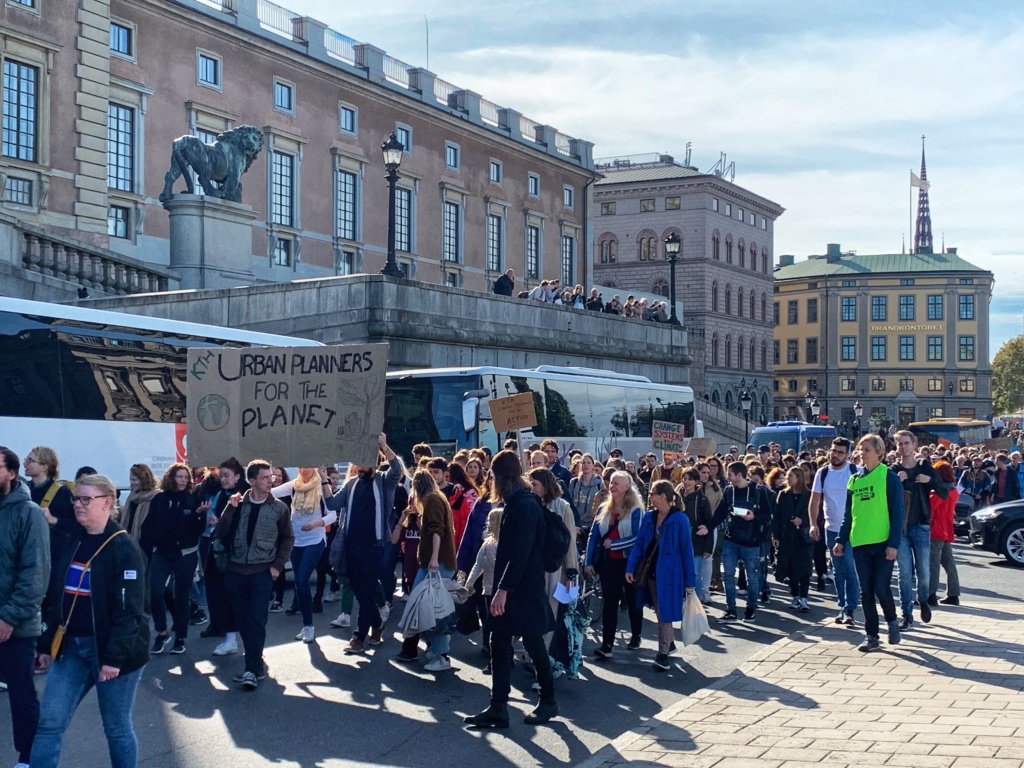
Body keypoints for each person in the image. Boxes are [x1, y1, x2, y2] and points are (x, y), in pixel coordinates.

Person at [33, 474, 150, 768]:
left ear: (108, 503)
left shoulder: (124, 549)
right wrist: (47, 645)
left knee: (116, 728)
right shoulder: (73, 539)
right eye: (76, 498)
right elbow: (59, 598)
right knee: (49, 723)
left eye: (86, 499)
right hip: (70, 648)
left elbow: (130, 612)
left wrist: (113, 659)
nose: (78, 505)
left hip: (110, 653)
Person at [464, 450, 557, 728]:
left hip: (524, 587)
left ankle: (549, 701)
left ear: (501, 477)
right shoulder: (515, 502)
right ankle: (498, 707)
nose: (490, 480)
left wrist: (503, 589)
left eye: (492, 475)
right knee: (499, 641)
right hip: (513, 584)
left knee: (533, 643)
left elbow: (520, 552)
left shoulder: (525, 505)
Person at [213, 460, 294, 690]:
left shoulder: (279, 508)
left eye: (272, 477)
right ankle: (255, 662)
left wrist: (277, 565)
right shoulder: (238, 504)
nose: (272, 480)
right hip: (236, 572)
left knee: (256, 620)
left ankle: (250, 670)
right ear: (252, 481)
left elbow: (288, 537)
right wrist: (230, 509)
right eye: (265, 477)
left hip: (262, 572)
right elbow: (220, 532)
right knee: (242, 621)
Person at [0, 446, 50, 768]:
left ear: (12, 473)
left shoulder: (28, 512)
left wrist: (8, 618)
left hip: (14, 625)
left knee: (21, 695)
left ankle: (28, 757)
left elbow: (36, 574)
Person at [833, 434, 905, 652]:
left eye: (867, 449)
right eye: (861, 449)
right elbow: (848, 514)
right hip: (860, 542)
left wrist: (893, 544)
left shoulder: (888, 477)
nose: (862, 453)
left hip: (882, 542)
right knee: (866, 590)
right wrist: (841, 540)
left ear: (879, 452)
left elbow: (898, 513)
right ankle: (871, 635)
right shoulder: (854, 480)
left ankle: (892, 621)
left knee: (881, 587)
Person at [333, 435, 404, 655]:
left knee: (368, 590)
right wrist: (323, 480)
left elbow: (398, 470)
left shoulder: (384, 481)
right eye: (355, 463)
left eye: (361, 463)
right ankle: (377, 623)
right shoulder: (351, 484)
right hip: (351, 547)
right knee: (360, 592)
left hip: (374, 547)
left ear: (373, 462)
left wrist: (384, 445)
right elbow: (331, 503)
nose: (357, 468)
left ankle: (358, 637)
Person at [626, 480, 697, 671]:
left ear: (663, 496)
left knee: (664, 612)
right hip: (650, 572)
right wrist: (630, 568)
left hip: (670, 575)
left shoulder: (680, 520)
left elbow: (686, 551)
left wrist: (690, 581)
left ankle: (662, 654)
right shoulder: (649, 517)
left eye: (653, 494)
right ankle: (669, 643)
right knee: (659, 610)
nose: (650, 497)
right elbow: (639, 545)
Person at [139, 463, 205, 656]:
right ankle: (162, 632)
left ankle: (180, 637)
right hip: (162, 552)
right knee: (155, 591)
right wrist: (146, 550)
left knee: (180, 595)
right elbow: (148, 526)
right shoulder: (160, 499)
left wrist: (199, 516)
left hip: (185, 553)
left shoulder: (192, 499)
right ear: (171, 478)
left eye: (186, 477)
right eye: (180, 476)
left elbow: (197, 531)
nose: (183, 480)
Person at [396, 471, 457, 671]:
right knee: (429, 607)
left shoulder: (432, 501)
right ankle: (437, 649)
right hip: (437, 561)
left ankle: (441, 654)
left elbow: (436, 531)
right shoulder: (437, 498)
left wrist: (433, 559)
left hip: (436, 563)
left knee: (433, 610)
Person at [271, 467, 337, 644]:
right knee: (300, 586)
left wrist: (316, 523)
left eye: (307, 466)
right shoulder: (294, 485)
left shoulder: (322, 486)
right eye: (300, 466)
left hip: (315, 540)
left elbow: (333, 514)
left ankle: (309, 626)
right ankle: (306, 625)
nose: (302, 469)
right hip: (296, 541)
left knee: (301, 580)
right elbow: (269, 492)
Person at [585, 471, 644, 657]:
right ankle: (607, 644)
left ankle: (636, 635)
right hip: (609, 561)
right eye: (611, 482)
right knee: (610, 602)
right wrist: (588, 561)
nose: (613, 486)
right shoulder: (604, 507)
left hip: (629, 562)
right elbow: (593, 536)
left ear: (627, 487)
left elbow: (637, 538)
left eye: (617, 483)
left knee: (633, 600)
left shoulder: (636, 510)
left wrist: (615, 544)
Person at [892, 430, 947, 629]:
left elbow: (944, 493)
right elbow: (884, 499)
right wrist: (896, 483)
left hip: (922, 525)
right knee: (904, 572)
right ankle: (906, 614)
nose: (904, 447)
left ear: (914, 445)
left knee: (923, 571)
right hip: (901, 528)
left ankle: (923, 600)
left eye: (907, 443)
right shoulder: (893, 470)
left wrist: (929, 481)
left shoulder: (925, 466)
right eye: (900, 444)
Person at [705, 462, 772, 622]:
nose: (727, 477)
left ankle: (750, 608)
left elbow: (768, 515)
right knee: (728, 575)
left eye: (730, 474)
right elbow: (721, 513)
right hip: (731, 539)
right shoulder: (728, 491)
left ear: (739, 475)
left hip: (751, 541)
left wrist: (753, 517)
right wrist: (708, 527)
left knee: (752, 576)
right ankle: (731, 609)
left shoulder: (758, 491)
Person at [809, 438, 859, 625]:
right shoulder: (822, 473)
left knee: (849, 568)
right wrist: (813, 524)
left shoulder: (856, 472)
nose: (835, 455)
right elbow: (814, 501)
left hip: (853, 529)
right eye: (833, 451)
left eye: (840, 452)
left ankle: (850, 608)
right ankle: (842, 605)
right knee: (838, 571)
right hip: (831, 528)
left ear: (847, 455)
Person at [202, 458, 248, 655]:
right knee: (220, 592)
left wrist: (221, 522)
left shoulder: (247, 495)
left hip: (240, 553)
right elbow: (214, 521)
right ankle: (230, 638)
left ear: (237, 476)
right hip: (221, 550)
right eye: (221, 475)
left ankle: (249, 644)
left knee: (240, 598)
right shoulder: (220, 494)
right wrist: (213, 521)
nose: (222, 479)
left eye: (226, 475)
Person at [773, 467, 813, 613]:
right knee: (790, 568)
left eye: (791, 476)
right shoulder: (783, 494)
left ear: (799, 478)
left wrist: (802, 521)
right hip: (787, 535)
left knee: (804, 568)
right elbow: (776, 516)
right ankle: (795, 595)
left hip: (803, 537)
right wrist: (775, 536)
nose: (788, 478)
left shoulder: (808, 495)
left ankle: (804, 597)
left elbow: (814, 513)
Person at [677, 468, 714, 603]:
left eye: (690, 479)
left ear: (696, 481)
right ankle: (681, 602)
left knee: (695, 575)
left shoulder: (702, 499)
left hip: (696, 542)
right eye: (684, 478)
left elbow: (708, 523)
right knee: (679, 574)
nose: (686, 482)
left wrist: (708, 547)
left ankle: (695, 604)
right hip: (678, 541)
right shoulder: (676, 497)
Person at [928, 462, 960, 607]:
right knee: (949, 563)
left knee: (933, 564)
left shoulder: (938, 493)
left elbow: (930, 509)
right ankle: (953, 594)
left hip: (936, 529)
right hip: (946, 528)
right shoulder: (953, 490)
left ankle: (930, 594)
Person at [120, 464, 160, 542]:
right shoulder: (132, 497)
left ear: (143, 480)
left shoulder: (156, 497)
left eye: (134, 480)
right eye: (130, 479)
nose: (131, 483)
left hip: (146, 544)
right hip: (129, 542)